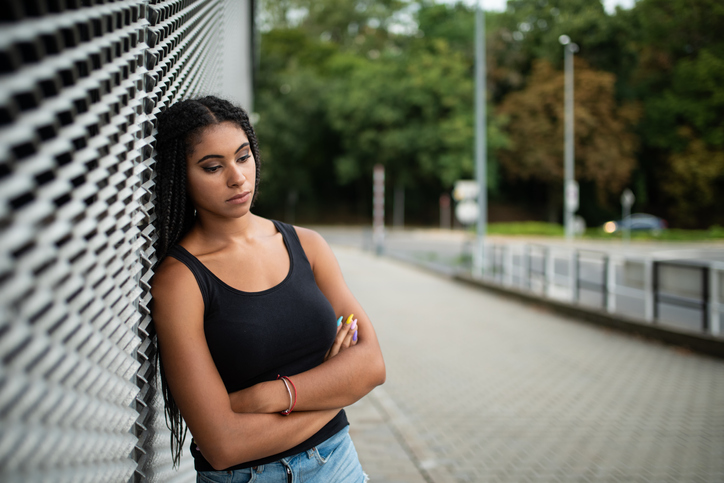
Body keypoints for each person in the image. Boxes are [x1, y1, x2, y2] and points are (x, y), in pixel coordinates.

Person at [150, 96, 386, 482]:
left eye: (243, 157)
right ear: (180, 176)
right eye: (213, 167)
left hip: (338, 466)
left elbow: (371, 364)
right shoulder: (180, 281)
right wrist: (337, 388)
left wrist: (272, 396)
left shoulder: (308, 247)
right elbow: (223, 444)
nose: (237, 177)